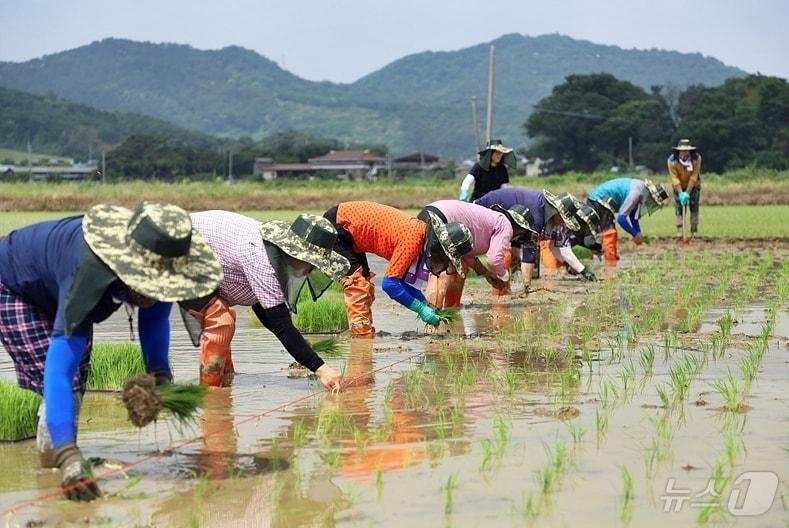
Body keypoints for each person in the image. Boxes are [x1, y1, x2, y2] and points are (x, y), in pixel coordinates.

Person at [0, 202, 223, 502]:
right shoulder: (88, 272)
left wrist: (160, 378)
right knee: (58, 376)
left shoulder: (163, 265)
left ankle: (60, 461)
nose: (155, 293)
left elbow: (155, 319)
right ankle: (58, 461)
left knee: (79, 378)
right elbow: (59, 367)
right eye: (148, 285)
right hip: (13, 285)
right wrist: (68, 453)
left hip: (54, 285)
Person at [183, 211, 350, 389]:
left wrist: (302, 349)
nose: (310, 270)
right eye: (312, 264)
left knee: (224, 321)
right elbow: (280, 324)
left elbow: (264, 309)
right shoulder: (261, 258)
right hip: (178, 255)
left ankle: (224, 384)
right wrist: (321, 369)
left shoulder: (272, 253)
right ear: (296, 254)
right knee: (221, 321)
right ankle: (211, 395)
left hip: (200, 256)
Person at [323, 201, 474, 337]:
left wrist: (427, 306)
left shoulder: (420, 235)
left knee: (365, 283)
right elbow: (390, 285)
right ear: (439, 246)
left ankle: (363, 333)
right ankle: (361, 341)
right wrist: (420, 310)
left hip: (351, 232)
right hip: (339, 225)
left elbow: (401, 282)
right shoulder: (413, 240)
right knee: (357, 284)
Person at [418, 200, 538, 308]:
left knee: (453, 268)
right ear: (521, 230)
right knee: (441, 271)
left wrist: (485, 273)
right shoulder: (505, 225)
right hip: (441, 219)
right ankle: (433, 316)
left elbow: (466, 253)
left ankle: (450, 308)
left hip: (430, 212)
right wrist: (504, 276)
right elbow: (494, 260)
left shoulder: (491, 222)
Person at [474, 187, 596, 288]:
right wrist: (527, 287)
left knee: (512, 252)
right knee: (498, 251)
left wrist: (579, 268)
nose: (563, 224)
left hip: (502, 214)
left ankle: (506, 288)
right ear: (558, 212)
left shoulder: (545, 209)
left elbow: (555, 245)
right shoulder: (538, 216)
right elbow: (529, 254)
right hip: (486, 207)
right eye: (564, 220)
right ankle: (501, 292)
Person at [587, 178, 669, 263]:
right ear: (650, 196)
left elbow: (632, 215)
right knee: (609, 233)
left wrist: (638, 232)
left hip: (604, 201)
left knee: (610, 232)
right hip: (598, 200)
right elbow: (621, 219)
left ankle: (611, 258)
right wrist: (634, 234)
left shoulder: (641, 190)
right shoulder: (636, 194)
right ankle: (609, 263)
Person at [667, 139, 702, 240]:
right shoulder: (672, 161)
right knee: (679, 207)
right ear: (678, 151)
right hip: (678, 186)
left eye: (687, 150)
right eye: (682, 150)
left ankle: (694, 231)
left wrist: (687, 192)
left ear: (690, 151)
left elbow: (694, 176)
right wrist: (681, 193)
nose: (684, 153)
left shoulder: (697, 159)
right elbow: (674, 178)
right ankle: (680, 231)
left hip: (693, 186)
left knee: (694, 207)